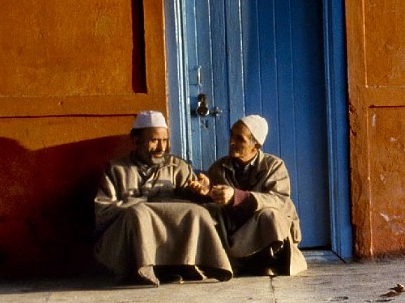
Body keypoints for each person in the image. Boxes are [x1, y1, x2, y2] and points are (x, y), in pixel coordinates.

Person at [93, 110, 232, 286]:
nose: (161, 148)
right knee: (139, 213)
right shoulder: (116, 169)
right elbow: (103, 210)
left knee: (196, 212)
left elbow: (195, 202)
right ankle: (140, 269)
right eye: (154, 141)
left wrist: (202, 193)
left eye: (165, 141)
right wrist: (143, 204)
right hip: (121, 242)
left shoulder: (178, 167)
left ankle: (185, 265)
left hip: (170, 235)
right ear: (136, 141)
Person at [203, 115, 308, 276]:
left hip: (264, 230)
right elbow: (211, 199)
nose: (231, 142)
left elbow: (279, 200)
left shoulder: (274, 166)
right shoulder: (219, 168)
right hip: (235, 231)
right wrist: (204, 192)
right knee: (208, 211)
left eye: (240, 139)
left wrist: (237, 197)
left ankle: (270, 260)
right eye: (232, 135)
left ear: (256, 145)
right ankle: (228, 262)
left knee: (270, 215)